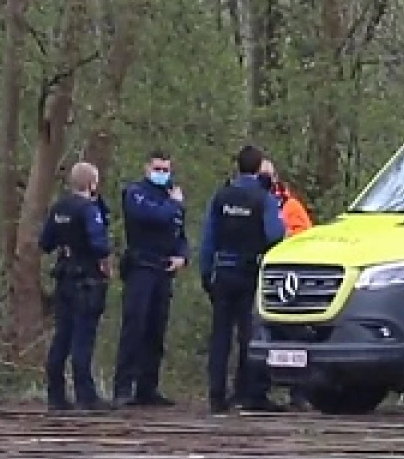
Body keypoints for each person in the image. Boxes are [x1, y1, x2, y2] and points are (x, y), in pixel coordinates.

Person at [199, 145, 286, 413]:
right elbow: (275, 234)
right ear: (259, 167)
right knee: (250, 335)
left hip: (222, 271)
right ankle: (250, 394)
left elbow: (208, 239)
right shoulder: (264, 198)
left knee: (220, 335)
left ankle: (216, 396)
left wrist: (206, 273)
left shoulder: (220, 196)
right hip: (251, 273)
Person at [112, 150, 188, 407]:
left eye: (166, 169)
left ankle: (148, 387)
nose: (162, 174)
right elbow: (152, 217)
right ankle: (123, 387)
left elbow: (179, 231)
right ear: (147, 168)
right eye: (157, 168)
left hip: (164, 269)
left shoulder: (171, 195)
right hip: (141, 267)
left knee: (156, 330)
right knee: (135, 327)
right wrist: (175, 204)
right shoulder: (136, 193)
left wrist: (182, 256)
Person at [39, 161, 113, 413]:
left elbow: (45, 242)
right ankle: (86, 396)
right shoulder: (89, 210)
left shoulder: (59, 207)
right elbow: (99, 245)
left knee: (62, 337)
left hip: (64, 279)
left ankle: (56, 394)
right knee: (83, 338)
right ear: (92, 183)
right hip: (86, 281)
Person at [261, 158, 314, 409]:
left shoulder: (290, 205)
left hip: (292, 278)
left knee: (295, 335)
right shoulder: (259, 201)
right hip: (266, 277)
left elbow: (306, 235)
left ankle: (299, 392)